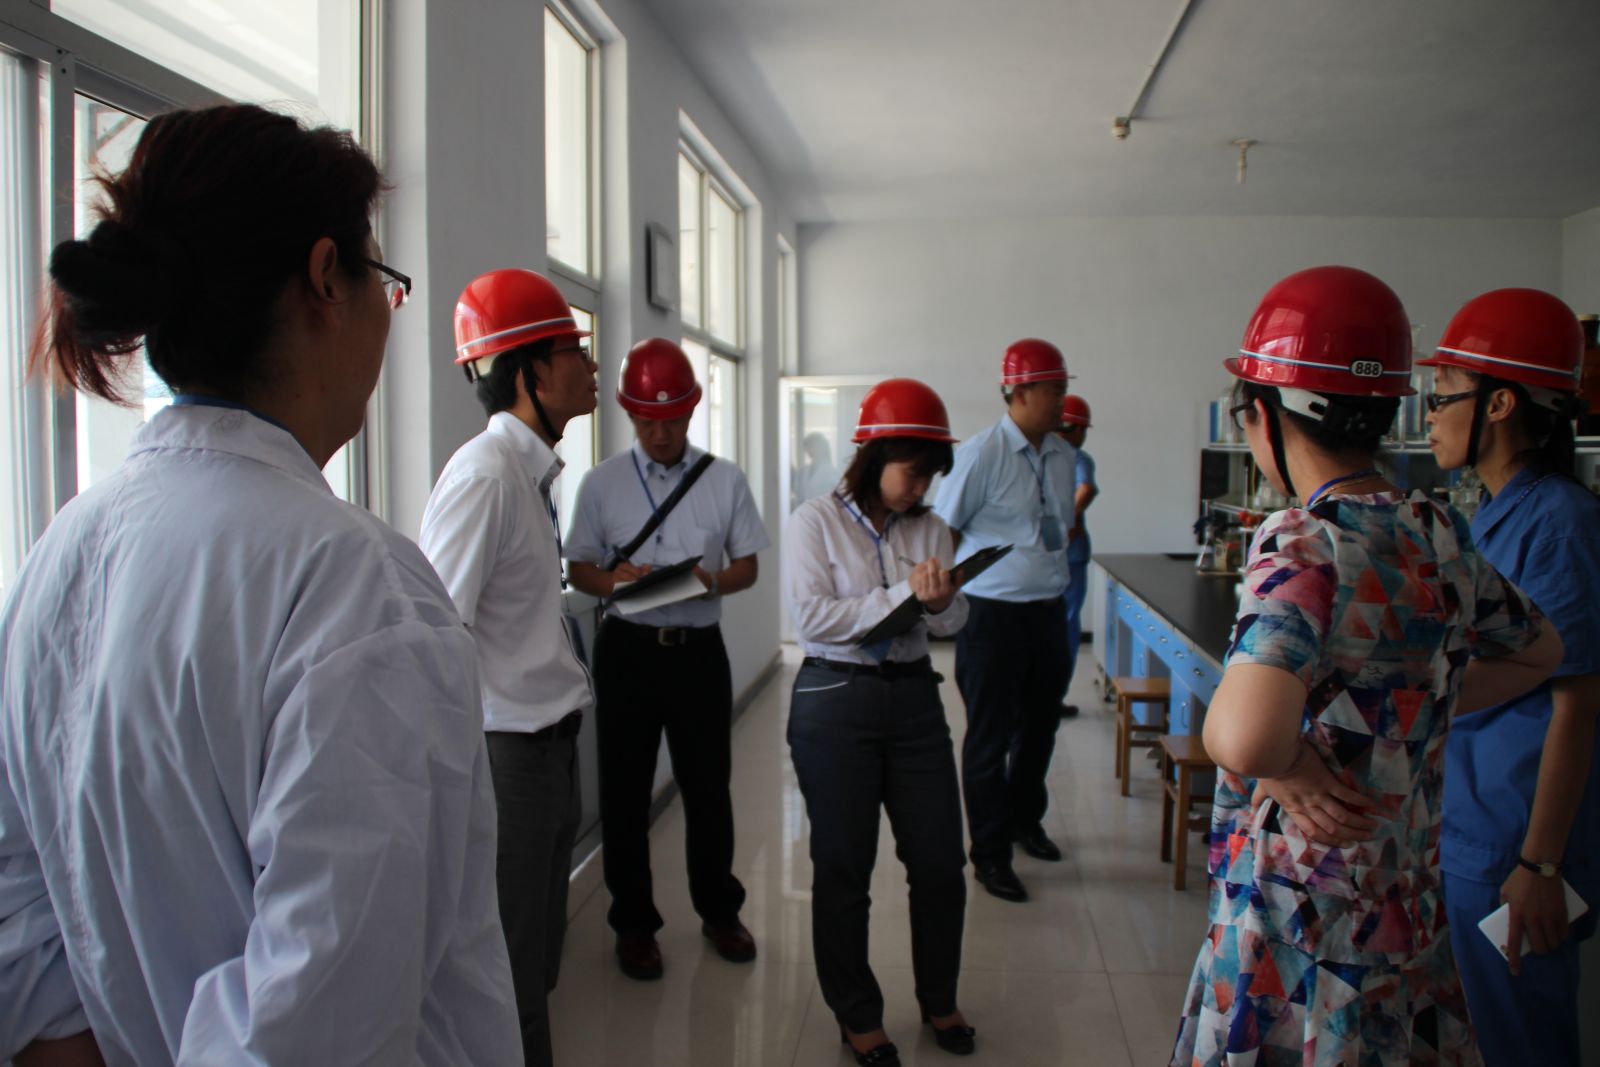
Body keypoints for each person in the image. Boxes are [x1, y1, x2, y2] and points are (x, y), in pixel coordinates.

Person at [0, 104, 520, 1065]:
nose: (386, 313)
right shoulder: (357, 589)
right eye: (383, 281)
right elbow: (321, 1027)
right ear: (326, 277)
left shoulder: (57, 557)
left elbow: (21, 905)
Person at [1171, 265, 1564, 1066]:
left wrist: (1289, 758)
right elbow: (1540, 651)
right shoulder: (1437, 528)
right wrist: (1409, 707)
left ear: (1266, 416)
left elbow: (1242, 737)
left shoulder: (1303, 538)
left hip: (1301, 923)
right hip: (1402, 905)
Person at [418, 268, 598, 1067]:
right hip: (509, 760)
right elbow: (438, 632)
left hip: (550, 749)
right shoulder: (486, 476)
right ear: (529, 374)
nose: (591, 367)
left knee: (538, 962)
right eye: (574, 353)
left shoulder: (531, 473)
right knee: (512, 978)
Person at [1420, 288, 1600, 1066]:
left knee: (1519, 1042)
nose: (1429, 416)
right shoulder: (1497, 512)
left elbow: (1580, 702)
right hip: (1475, 822)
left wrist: (1540, 863)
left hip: (1514, 845)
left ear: (1499, 404)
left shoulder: (1559, 523)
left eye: (1442, 397)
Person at [565, 337, 769, 981]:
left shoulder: (723, 479)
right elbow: (579, 570)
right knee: (625, 794)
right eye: (648, 420)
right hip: (627, 652)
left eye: (673, 419)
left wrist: (709, 583)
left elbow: (748, 567)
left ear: (691, 411)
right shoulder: (601, 484)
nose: (661, 433)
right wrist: (615, 582)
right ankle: (633, 925)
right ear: (629, 414)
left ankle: (720, 911)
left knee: (708, 789)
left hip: (697, 654)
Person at [785, 377, 975, 1066]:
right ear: (874, 454)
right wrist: (902, 595)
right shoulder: (814, 521)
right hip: (835, 698)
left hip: (915, 701)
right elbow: (813, 617)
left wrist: (942, 601)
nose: (919, 488)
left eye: (929, 477)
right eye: (911, 472)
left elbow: (952, 620)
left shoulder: (931, 527)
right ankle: (857, 1013)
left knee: (941, 862)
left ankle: (939, 997)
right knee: (843, 865)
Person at [932, 338, 1076, 901]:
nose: (1062, 400)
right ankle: (989, 855)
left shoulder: (1061, 453)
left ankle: (1024, 821)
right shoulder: (981, 453)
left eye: (1063, 389)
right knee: (990, 738)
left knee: (1040, 728)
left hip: (1048, 614)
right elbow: (942, 532)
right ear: (1018, 392)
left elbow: (1057, 525)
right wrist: (942, 603)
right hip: (991, 618)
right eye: (1053, 390)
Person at [1055, 394, 1098, 719]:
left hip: (1046, 556)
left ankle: (1039, 697)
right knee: (1067, 625)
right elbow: (1087, 489)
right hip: (1069, 556)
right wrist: (1068, 522)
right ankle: (1053, 697)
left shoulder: (1040, 456)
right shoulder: (1077, 457)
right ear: (1077, 429)